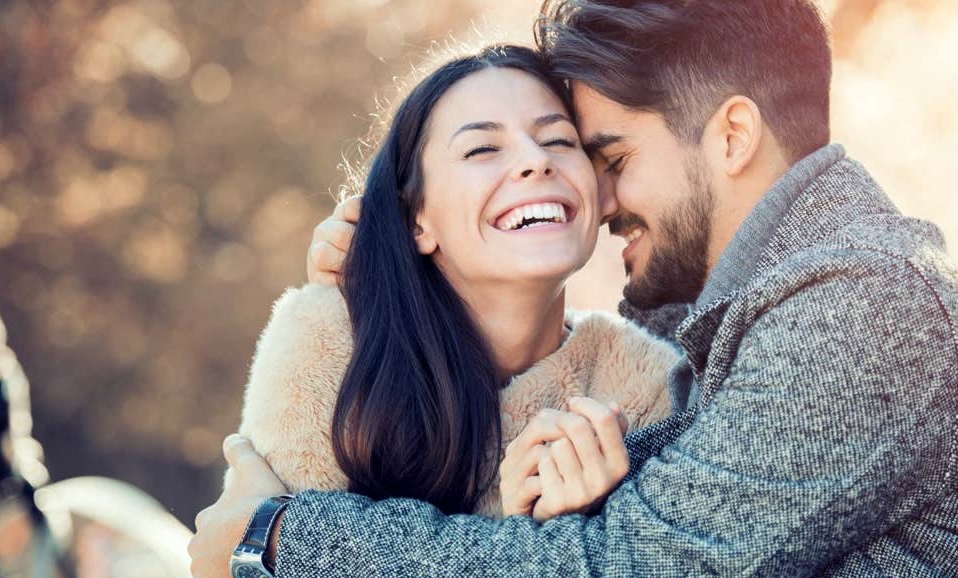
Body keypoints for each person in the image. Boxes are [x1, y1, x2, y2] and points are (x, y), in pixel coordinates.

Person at [191, 0, 958, 578]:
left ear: (732, 134)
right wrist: (391, 289)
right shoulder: (765, 323)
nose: (602, 194)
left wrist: (281, 541)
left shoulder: (864, 308)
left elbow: (624, 575)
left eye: (608, 157)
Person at [229, 44, 680, 520]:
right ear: (417, 220)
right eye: (482, 148)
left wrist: (572, 532)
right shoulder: (329, 344)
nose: (536, 161)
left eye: (560, 141)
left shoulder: (646, 386)